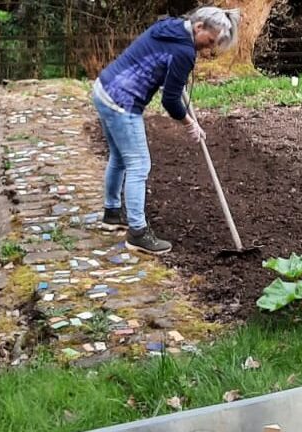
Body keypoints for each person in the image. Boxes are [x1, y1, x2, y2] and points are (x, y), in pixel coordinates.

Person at [92, 6, 240, 255]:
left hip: (104, 88)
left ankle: (112, 213)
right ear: (199, 26)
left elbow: (165, 70)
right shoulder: (183, 52)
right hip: (122, 102)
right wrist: (190, 124)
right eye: (210, 41)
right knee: (139, 164)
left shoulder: (170, 26)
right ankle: (138, 232)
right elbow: (170, 100)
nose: (209, 49)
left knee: (119, 157)